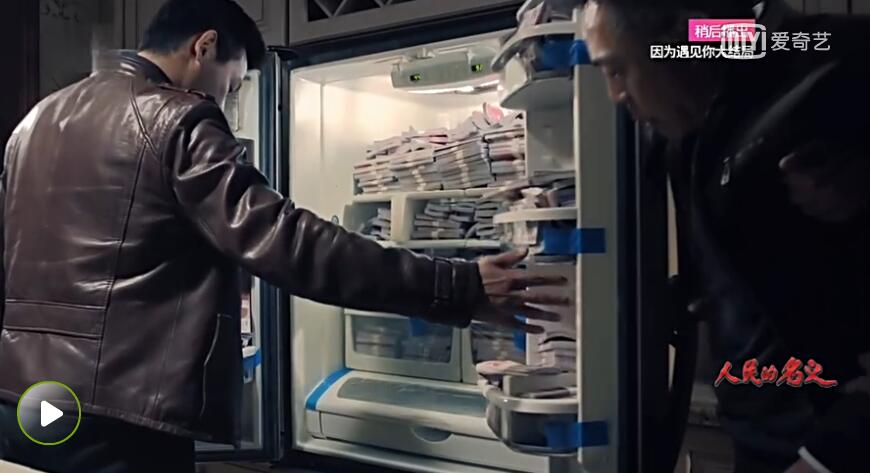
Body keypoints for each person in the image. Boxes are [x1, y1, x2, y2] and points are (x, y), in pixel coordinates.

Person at [0, 1, 568, 472]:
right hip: (117, 417)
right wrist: (457, 285)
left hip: (25, 400)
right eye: (233, 83)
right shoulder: (175, 117)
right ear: (204, 47)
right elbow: (287, 241)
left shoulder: (34, 122)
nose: (227, 100)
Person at [581, 0, 870, 472]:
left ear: (678, 36)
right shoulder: (691, 126)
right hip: (758, 437)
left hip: (830, 442)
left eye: (616, 69)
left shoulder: (826, 62)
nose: (615, 95)